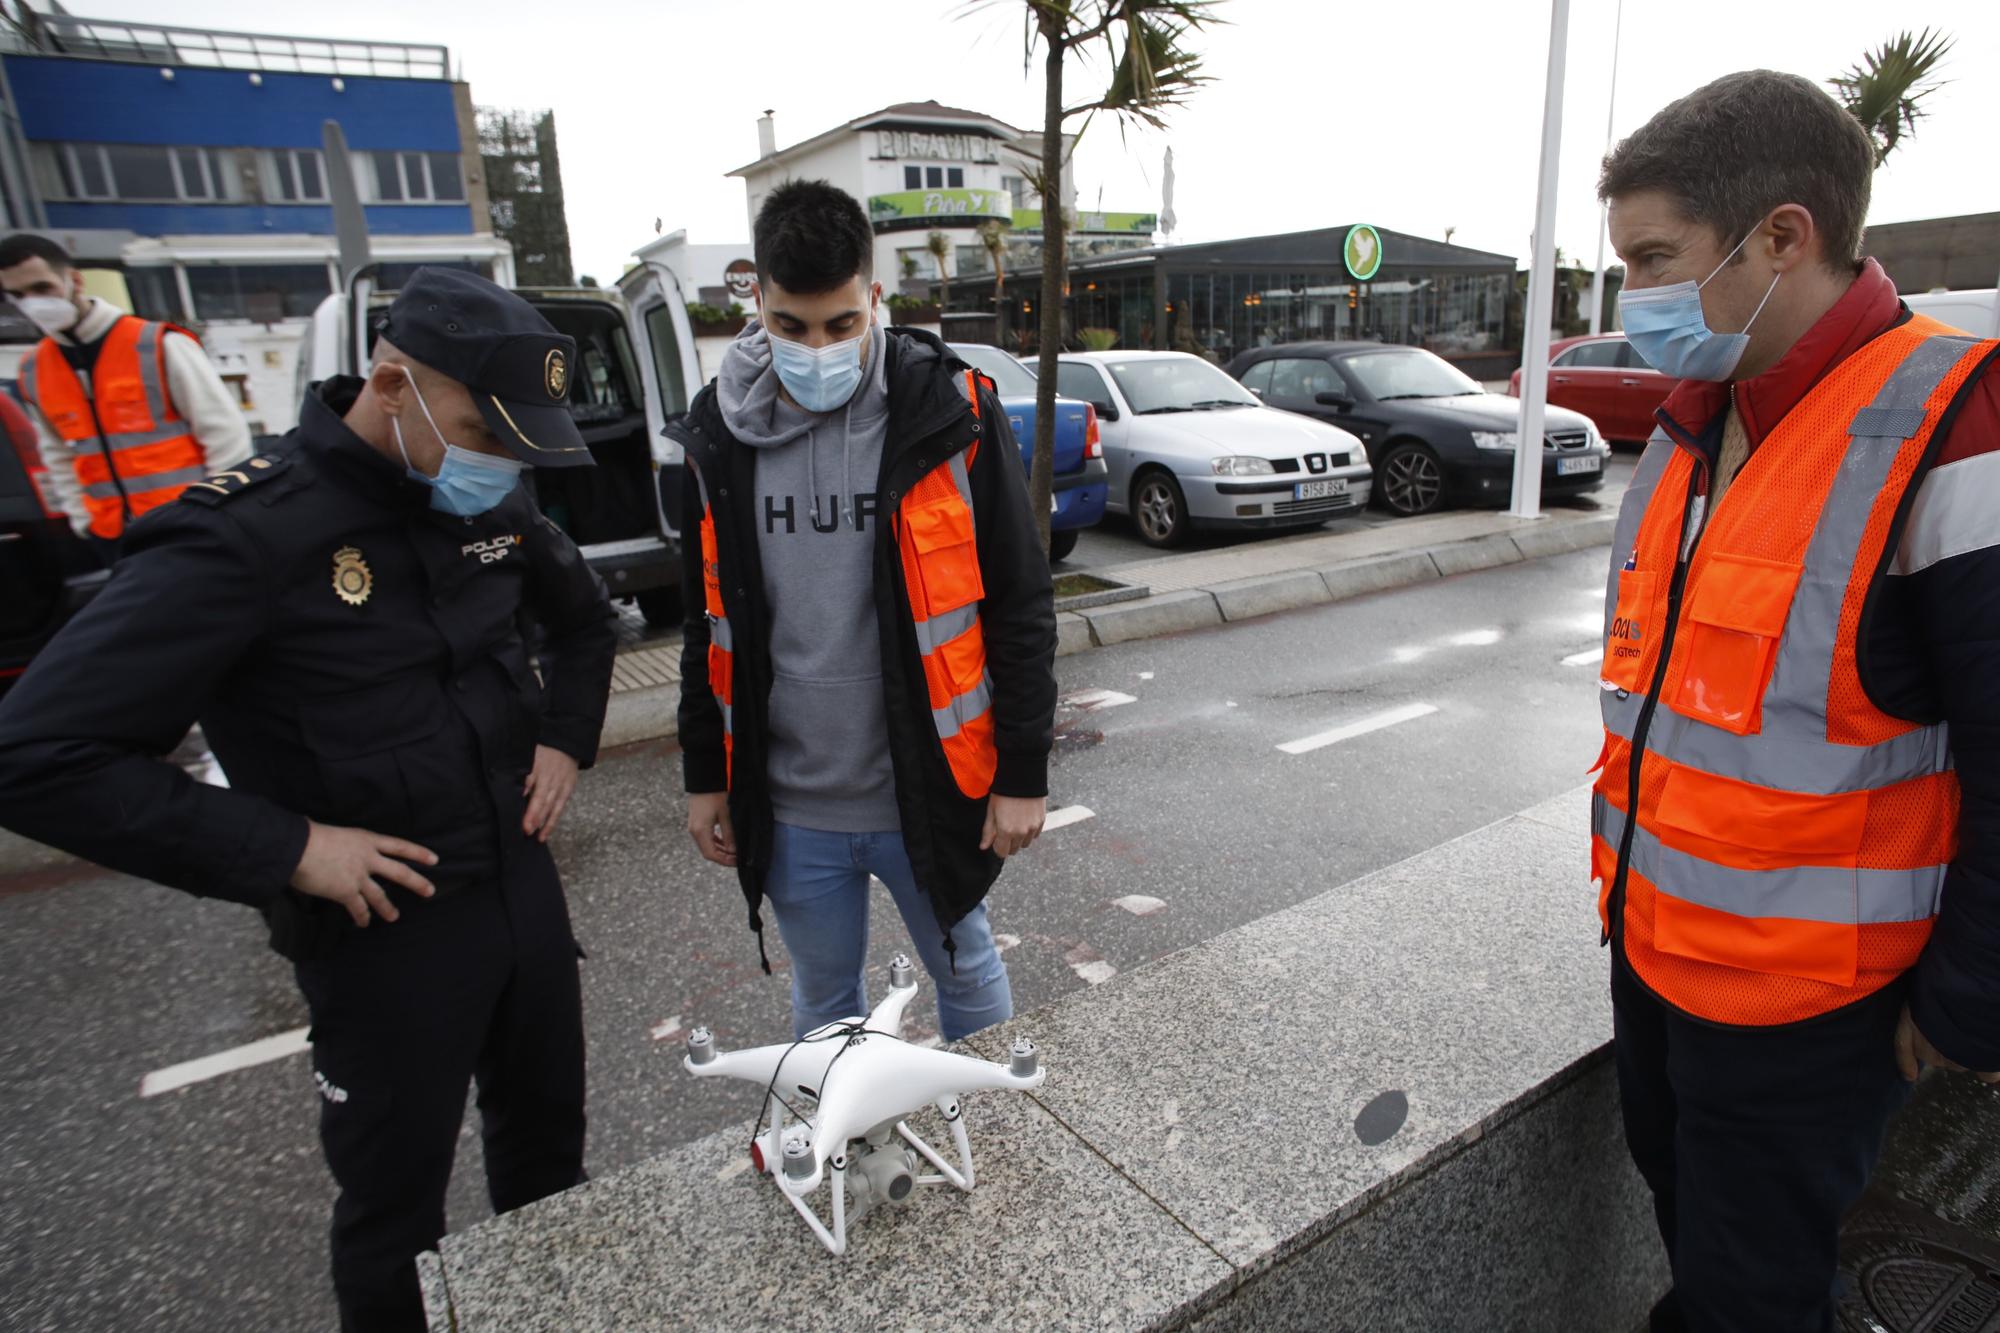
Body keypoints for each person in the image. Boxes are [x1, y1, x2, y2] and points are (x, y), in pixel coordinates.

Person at [0, 267, 619, 1331]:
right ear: (391, 383)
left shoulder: (490, 490)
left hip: (518, 890)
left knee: (549, 1163)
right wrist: (286, 846)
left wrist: (564, 741)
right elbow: (36, 751)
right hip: (381, 932)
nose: (504, 459)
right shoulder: (243, 536)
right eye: (484, 428)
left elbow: (585, 621)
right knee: (393, 1215)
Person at [1591, 71, 2000, 1333]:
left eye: (1655, 260)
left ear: (1782, 235)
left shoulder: (1951, 415)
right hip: (1659, 962)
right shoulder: (1695, 418)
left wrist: (1962, 1007)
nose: (1633, 302)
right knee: (1698, 1244)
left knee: (1748, 1300)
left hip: (1812, 1012)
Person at [677, 179, 1056, 1044]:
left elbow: (1022, 601)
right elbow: (708, 622)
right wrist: (707, 774)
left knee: (968, 972)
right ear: (758, 303)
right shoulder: (717, 433)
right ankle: (848, 1156)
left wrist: (1024, 770)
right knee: (824, 1000)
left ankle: (999, 1147)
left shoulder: (947, 410)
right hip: (792, 802)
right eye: (791, 326)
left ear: (875, 298)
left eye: (843, 324)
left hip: (929, 785)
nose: (818, 348)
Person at [0, 233, 252, 560]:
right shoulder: (35, 368)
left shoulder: (156, 345)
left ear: (75, 280)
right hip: (113, 536)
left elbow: (224, 435)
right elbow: (58, 453)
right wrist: (83, 519)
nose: (32, 302)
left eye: (42, 288)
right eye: (17, 295)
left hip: (187, 525)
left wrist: (220, 512)